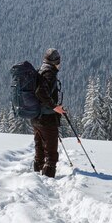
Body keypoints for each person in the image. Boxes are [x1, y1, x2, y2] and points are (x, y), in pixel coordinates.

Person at [32, 48, 66, 178]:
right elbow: (40, 92)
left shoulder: (41, 70)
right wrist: (54, 107)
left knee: (39, 147)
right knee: (51, 152)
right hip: (46, 118)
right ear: (55, 61)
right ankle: (47, 179)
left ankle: (36, 177)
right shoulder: (49, 73)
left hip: (36, 117)